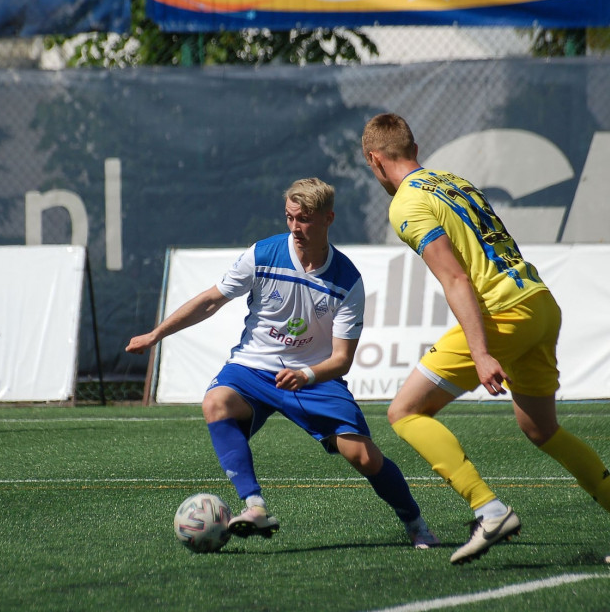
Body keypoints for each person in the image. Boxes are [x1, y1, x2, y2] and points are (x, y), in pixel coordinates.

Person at [361, 113, 610, 565]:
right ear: (414, 149)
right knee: (541, 428)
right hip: (539, 302)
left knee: (405, 411)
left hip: (502, 312)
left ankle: (489, 509)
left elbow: (457, 279)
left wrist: (481, 352)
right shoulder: (451, 181)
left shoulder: (406, 203)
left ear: (375, 160)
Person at [126, 178, 439, 548]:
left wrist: (306, 374)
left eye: (304, 219)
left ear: (328, 218)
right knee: (215, 402)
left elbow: (341, 360)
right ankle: (255, 506)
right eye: (290, 217)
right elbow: (212, 300)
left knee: (364, 456)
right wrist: (156, 334)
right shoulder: (262, 254)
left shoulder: (347, 280)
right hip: (254, 367)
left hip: (315, 377)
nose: (295, 227)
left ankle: (415, 522)